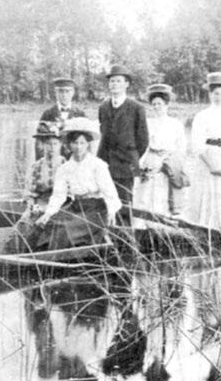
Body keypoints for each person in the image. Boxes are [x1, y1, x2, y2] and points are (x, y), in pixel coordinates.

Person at [35, 117, 121, 249]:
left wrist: (111, 211)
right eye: (75, 143)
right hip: (76, 207)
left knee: (64, 230)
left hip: (96, 210)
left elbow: (109, 191)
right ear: (69, 145)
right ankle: (49, 261)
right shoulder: (65, 168)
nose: (79, 147)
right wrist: (48, 213)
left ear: (88, 144)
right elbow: (59, 195)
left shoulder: (97, 165)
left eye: (82, 143)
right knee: (51, 224)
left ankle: (61, 263)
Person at [185, 72, 221, 227]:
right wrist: (212, 166)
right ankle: (204, 227)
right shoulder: (202, 116)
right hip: (207, 158)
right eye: (215, 93)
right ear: (210, 95)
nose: (219, 97)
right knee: (206, 192)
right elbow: (197, 144)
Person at [96, 65, 149, 223]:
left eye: (119, 81)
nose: (114, 84)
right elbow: (103, 134)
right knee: (104, 201)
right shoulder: (104, 107)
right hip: (105, 162)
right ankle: (106, 237)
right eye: (112, 81)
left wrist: (131, 156)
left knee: (124, 204)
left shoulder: (136, 108)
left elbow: (143, 140)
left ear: (126, 84)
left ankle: (124, 240)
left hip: (126, 164)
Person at [5, 122, 64, 253]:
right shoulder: (36, 167)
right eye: (48, 144)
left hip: (61, 208)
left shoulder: (66, 165)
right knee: (23, 227)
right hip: (39, 206)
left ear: (60, 145)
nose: (52, 148)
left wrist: (51, 210)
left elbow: (70, 194)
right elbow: (30, 195)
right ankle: (14, 257)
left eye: (55, 144)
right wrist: (34, 208)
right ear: (42, 145)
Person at [133, 84, 188, 222]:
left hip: (170, 158)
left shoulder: (175, 124)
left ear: (167, 104)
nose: (157, 107)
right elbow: (142, 145)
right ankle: (146, 221)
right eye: (154, 104)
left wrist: (171, 161)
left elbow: (181, 147)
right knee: (146, 188)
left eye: (160, 104)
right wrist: (141, 163)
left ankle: (169, 218)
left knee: (171, 187)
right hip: (151, 157)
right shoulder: (147, 123)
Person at [37, 78, 86, 158]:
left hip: (74, 160)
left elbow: (87, 141)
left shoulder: (80, 114)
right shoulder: (48, 114)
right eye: (61, 91)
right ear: (55, 93)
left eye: (67, 91)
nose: (64, 95)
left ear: (73, 92)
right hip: (54, 160)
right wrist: (41, 164)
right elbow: (39, 142)